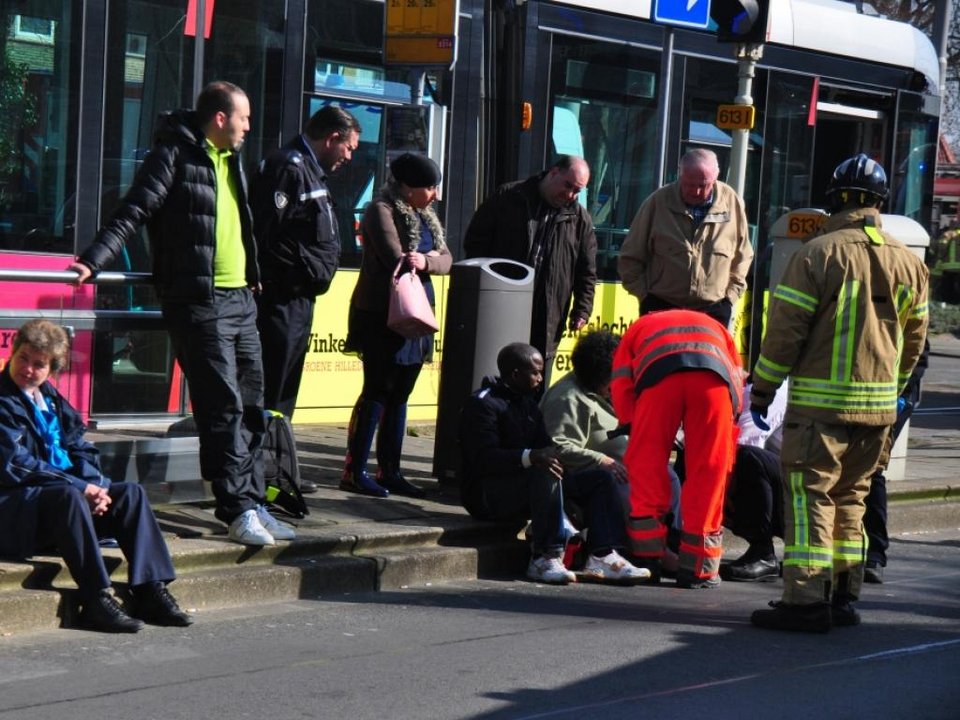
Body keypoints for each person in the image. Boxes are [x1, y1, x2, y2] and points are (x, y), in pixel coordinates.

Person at [68, 81, 295, 547]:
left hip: (241, 301)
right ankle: (235, 511)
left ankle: (252, 501)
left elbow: (238, 225)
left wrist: (251, 275)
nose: (249, 126)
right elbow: (133, 210)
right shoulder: (172, 155)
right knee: (222, 406)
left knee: (253, 403)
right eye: (244, 117)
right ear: (219, 118)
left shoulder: (231, 161)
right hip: (200, 302)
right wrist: (94, 259)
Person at [749, 154, 928, 633]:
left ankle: (805, 601)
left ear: (834, 198)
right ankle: (844, 596)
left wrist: (763, 389)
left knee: (811, 498)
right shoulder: (910, 264)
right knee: (853, 499)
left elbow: (784, 333)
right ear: (880, 202)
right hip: (878, 412)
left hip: (821, 410)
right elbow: (912, 346)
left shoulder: (817, 254)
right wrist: (890, 392)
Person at [0, 320, 193, 633]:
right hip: (16, 513)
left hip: (64, 508)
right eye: (23, 358)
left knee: (129, 494)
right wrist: (81, 488)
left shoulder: (51, 400)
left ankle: (149, 590)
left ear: (52, 369)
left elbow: (80, 448)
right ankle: (94, 599)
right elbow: (15, 463)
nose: (28, 369)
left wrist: (98, 487)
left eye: (39, 364)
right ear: (13, 352)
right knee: (67, 495)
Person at [460, 343, 648, 585]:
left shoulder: (527, 404)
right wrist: (531, 457)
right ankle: (545, 557)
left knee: (600, 479)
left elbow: (547, 446)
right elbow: (483, 459)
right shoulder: (483, 404)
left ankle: (603, 554)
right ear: (515, 374)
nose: (541, 378)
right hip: (488, 494)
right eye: (535, 372)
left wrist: (554, 456)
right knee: (543, 468)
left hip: (526, 487)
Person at [340, 153, 451, 499]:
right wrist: (414, 259)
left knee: (401, 394)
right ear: (406, 187)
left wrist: (428, 261)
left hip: (418, 316)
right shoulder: (380, 211)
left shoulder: (427, 216)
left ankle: (391, 470)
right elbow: (394, 256)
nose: (434, 194)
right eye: (428, 187)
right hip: (383, 315)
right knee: (377, 390)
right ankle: (354, 470)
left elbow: (447, 260)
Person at [610, 309, 743, 589]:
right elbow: (736, 375)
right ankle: (700, 570)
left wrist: (631, 422)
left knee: (646, 466)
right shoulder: (715, 326)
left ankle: (647, 561)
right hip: (714, 383)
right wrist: (730, 415)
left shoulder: (640, 326)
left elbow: (621, 377)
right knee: (709, 472)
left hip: (659, 381)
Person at [540, 329, 682, 575]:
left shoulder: (608, 391)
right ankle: (652, 554)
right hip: (589, 474)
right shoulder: (568, 399)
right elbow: (559, 447)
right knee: (633, 490)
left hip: (625, 466)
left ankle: (671, 543)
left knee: (669, 477)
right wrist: (601, 459)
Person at [252, 105, 361, 421]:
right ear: (333, 138)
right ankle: (262, 459)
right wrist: (287, 275)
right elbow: (261, 234)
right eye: (349, 148)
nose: (350, 157)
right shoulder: (289, 168)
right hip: (279, 300)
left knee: (283, 394)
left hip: (297, 300)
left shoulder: (309, 172)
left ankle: (274, 457)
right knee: (272, 390)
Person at [463, 155, 597, 377]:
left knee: (536, 380)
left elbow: (587, 270)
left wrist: (582, 309)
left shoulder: (579, 218)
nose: (571, 195)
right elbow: (476, 244)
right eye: (568, 185)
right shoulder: (509, 196)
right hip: (503, 304)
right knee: (498, 372)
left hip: (547, 314)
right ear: (553, 172)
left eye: (577, 191)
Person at [617, 148, 754, 327]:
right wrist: (645, 297)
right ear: (680, 175)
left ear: (716, 178)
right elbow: (630, 256)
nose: (696, 191)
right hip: (662, 307)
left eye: (703, 185)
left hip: (714, 310)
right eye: (689, 184)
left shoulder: (731, 203)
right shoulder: (658, 202)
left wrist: (729, 299)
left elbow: (743, 256)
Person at [863, 340, 930, 584]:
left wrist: (901, 393)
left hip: (890, 397)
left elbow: (917, 348)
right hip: (858, 394)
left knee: (872, 470)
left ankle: (875, 555)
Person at [718, 380, 788, 582]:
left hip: (808, 501)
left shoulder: (763, 393)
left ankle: (762, 552)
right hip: (809, 495)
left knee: (747, 459)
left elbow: (741, 445)